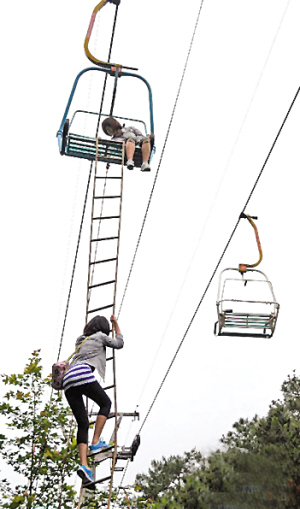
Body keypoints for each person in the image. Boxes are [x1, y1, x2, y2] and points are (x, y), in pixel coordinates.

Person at [63, 314, 123, 486]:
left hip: (68, 381)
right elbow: (119, 343)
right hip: (82, 373)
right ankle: (95, 442)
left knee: (82, 424)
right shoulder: (101, 337)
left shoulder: (80, 340)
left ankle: (84, 465)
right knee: (106, 403)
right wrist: (116, 324)